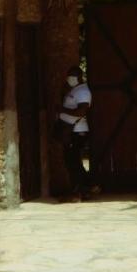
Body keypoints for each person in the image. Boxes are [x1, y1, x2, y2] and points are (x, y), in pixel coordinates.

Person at [59, 65, 93, 201]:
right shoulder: (74, 90)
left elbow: (81, 111)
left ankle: (79, 190)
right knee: (72, 161)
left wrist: (61, 110)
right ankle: (86, 187)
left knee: (73, 161)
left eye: (72, 75)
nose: (69, 78)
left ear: (79, 76)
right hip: (71, 130)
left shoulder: (83, 92)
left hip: (77, 131)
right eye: (68, 75)